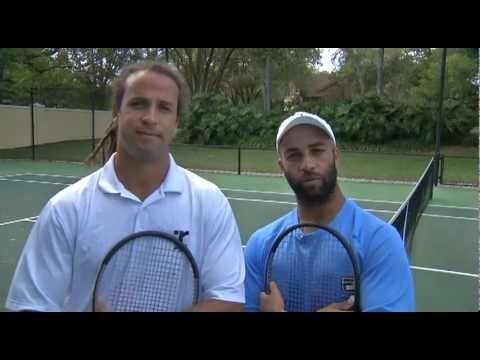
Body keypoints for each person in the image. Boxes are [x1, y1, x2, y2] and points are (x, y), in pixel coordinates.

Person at [5, 61, 245, 312]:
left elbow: (228, 300)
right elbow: (29, 304)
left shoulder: (210, 202)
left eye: (164, 108)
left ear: (176, 123)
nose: (150, 118)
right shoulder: (66, 208)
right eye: (138, 103)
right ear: (116, 113)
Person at [244, 111, 415, 312]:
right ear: (282, 165)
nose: (307, 164)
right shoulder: (260, 244)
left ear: (335, 154)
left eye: (317, 151)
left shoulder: (380, 240)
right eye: (294, 155)